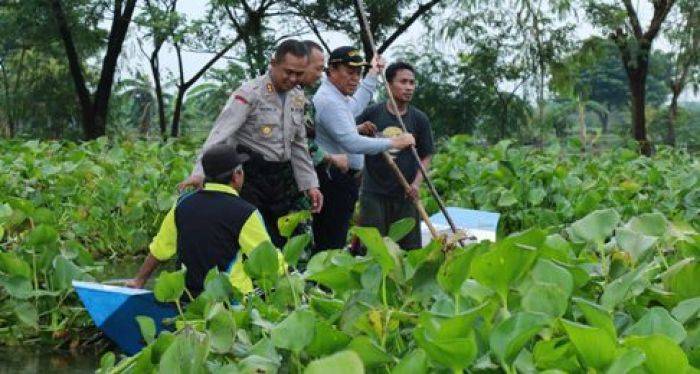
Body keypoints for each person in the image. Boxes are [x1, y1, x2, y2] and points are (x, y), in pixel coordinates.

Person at [179, 40, 322, 248]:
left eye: (299, 74)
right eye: (288, 72)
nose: (292, 79)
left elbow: (299, 144)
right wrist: (199, 172)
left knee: (282, 240)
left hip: (282, 179)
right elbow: (219, 135)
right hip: (250, 177)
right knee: (253, 240)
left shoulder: (298, 97)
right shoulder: (249, 94)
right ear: (273, 63)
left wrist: (310, 184)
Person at [126, 144, 282, 297]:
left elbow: (159, 250)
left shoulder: (182, 204)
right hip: (230, 303)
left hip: (187, 298)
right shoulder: (246, 213)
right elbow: (269, 261)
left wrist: (139, 280)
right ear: (237, 175)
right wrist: (294, 277)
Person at [312, 46, 415, 252]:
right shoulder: (329, 100)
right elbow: (352, 143)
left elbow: (354, 108)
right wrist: (394, 142)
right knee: (330, 240)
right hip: (333, 180)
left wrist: (372, 75)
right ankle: (324, 283)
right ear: (331, 70)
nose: (355, 79)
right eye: (349, 72)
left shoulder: (337, 97)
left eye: (358, 73)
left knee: (336, 236)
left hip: (342, 180)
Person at [356, 61, 434, 250]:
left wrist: (416, 184)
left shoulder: (419, 119)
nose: (409, 87)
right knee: (373, 250)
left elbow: (426, 155)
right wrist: (360, 128)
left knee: (408, 250)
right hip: (374, 193)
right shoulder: (373, 112)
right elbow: (349, 135)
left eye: (412, 83)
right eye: (403, 82)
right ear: (389, 85)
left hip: (406, 195)